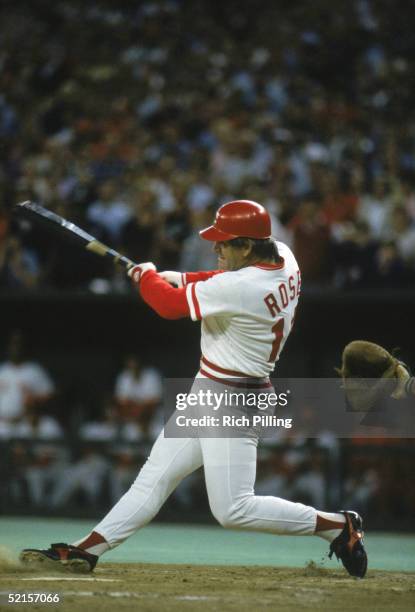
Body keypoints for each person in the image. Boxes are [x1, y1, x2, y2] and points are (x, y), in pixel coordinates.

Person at [20, 200, 367, 578]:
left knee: (233, 509)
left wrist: (147, 278)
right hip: (214, 390)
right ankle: (87, 551)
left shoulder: (243, 286)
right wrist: (182, 278)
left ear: (248, 247)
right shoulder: (282, 254)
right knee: (155, 478)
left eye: (224, 243)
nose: (216, 248)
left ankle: (338, 526)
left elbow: (169, 306)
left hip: (235, 398)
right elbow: (218, 283)